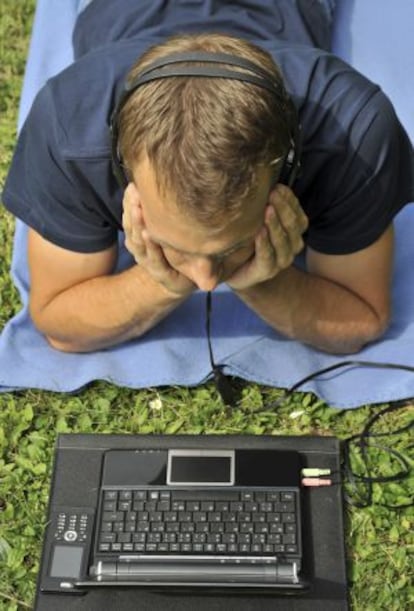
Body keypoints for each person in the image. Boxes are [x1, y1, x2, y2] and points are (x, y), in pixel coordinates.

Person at [2, 0, 413, 356]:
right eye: (173, 246)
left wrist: (266, 284)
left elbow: (363, 316)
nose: (206, 281)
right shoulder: (72, 130)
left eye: (233, 246)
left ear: (287, 162)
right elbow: (59, 325)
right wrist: (161, 285)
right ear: (122, 168)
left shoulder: (352, 136)